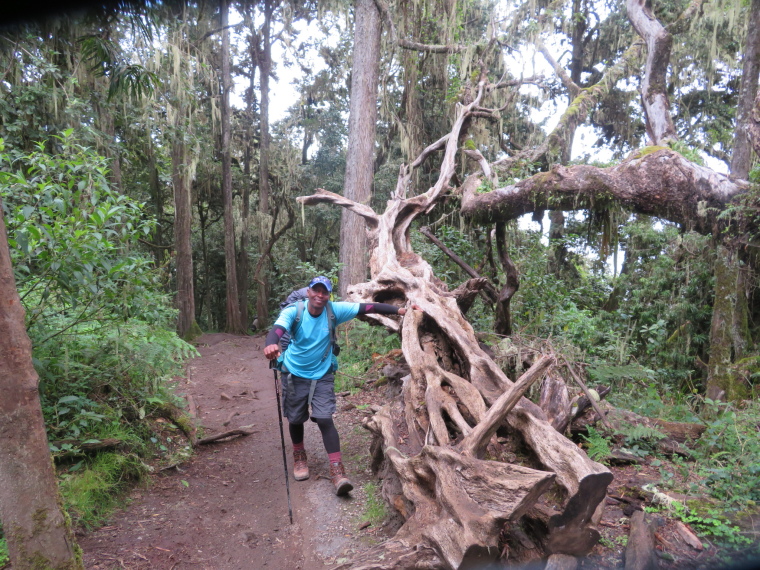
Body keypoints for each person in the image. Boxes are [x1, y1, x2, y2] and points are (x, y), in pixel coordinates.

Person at [264, 275, 420, 495]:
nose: (320, 295)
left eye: (324, 292)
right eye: (316, 291)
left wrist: (400, 311)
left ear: (329, 295)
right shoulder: (294, 311)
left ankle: (337, 469)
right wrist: (271, 344)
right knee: (296, 417)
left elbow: (367, 306)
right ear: (308, 292)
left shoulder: (334, 310)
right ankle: (299, 455)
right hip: (294, 372)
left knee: (325, 418)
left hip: (322, 373)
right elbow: (277, 331)